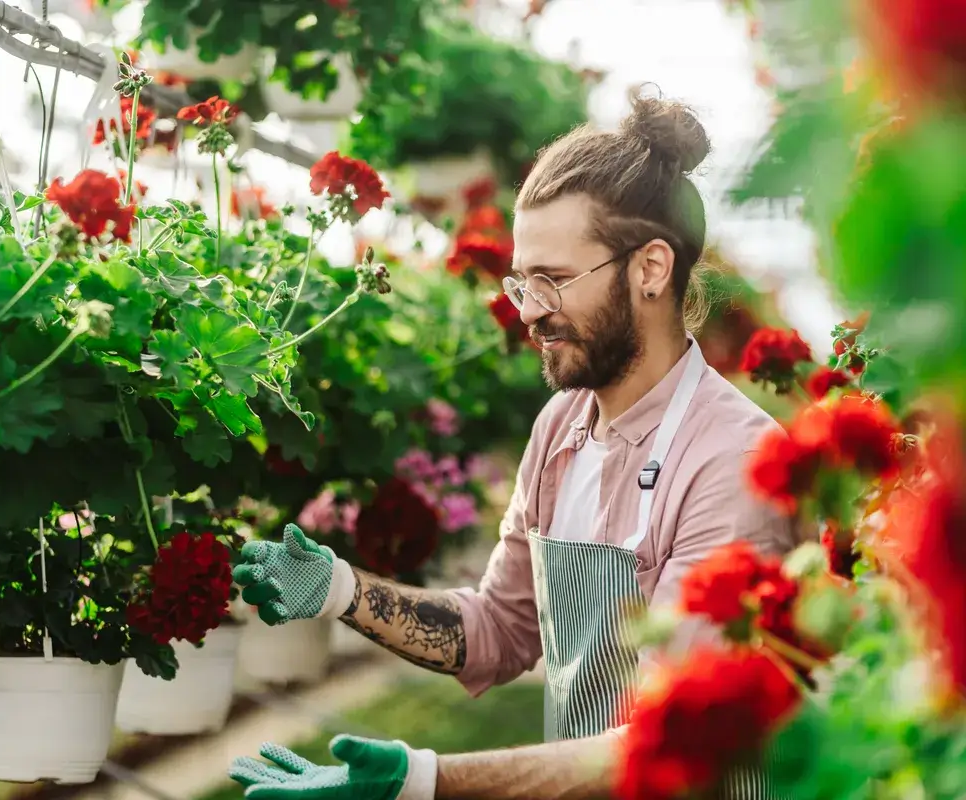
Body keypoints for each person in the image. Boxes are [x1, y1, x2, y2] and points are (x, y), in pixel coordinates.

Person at [227, 92, 799, 800]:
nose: (528, 311)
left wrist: (421, 781)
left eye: (554, 282)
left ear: (651, 269)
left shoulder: (732, 461)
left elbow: (671, 741)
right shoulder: (561, 429)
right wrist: (341, 590)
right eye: (522, 281)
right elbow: (499, 627)